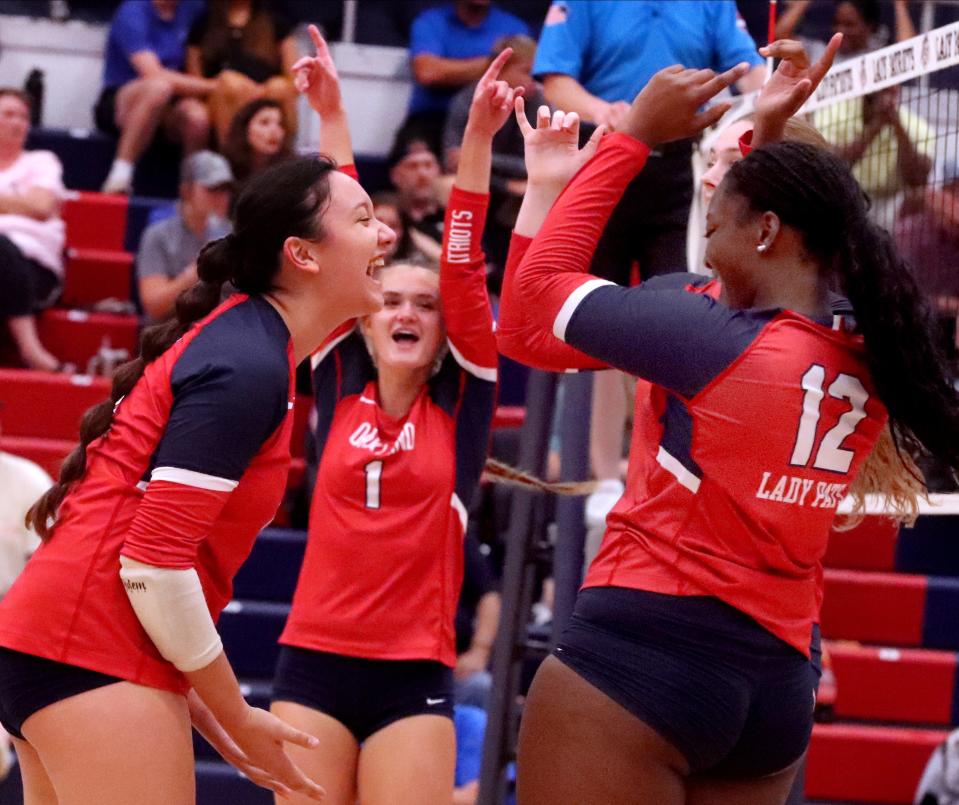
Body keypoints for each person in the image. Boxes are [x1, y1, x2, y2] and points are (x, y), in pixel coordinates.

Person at [500, 62, 959, 803]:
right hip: (775, 686)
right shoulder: (871, 344)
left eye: (718, 213)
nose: (705, 223)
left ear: (767, 228)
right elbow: (777, 267)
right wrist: (767, 135)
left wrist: (630, 137)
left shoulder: (701, 337)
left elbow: (528, 310)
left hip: (645, 655)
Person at [0, 53, 397, 799]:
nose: (385, 238)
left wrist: (223, 722)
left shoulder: (248, 342)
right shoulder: (246, 363)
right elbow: (152, 565)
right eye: (365, 221)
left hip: (58, 644)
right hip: (91, 647)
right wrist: (232, 712)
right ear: (302, 255)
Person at [270, 31, 514, 805]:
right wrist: (331, 117)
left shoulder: (463, 402)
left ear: (444, 333)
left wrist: (475, 140)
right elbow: (344, 241)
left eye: (425, 305)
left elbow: (463, 268)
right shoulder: (338, 376)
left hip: (414, 674)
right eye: (392, 300)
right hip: (311, 661)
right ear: (368, 320)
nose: (406, 310)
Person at [96, 0, 214, 195]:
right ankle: (120, 174)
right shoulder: (132, 11)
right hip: (123, 96)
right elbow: (152, 73)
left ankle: (192, 192)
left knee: (197, 117)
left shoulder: (193, 9)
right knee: (158, 88)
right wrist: (214, 86)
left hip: (173, 100)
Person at [406, 0, 532, 155]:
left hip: (498, 119)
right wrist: (497, 64)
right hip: (432, 118)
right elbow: (427, 72)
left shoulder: (514, 27)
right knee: (417, 164)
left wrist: (448, 69)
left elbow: (523, 75)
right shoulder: (430, 22)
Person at [0, 88, 66, 373]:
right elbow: (32, 204)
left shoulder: (42, 161)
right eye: (8, 114)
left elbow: (40, 205)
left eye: (23, 117)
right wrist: (18, 203)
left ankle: (31, 349)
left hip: (34, 269)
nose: (17, 122)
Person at [815, 84, 934, 228]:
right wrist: (874, 128)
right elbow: (829, 167)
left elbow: (918, 180)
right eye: (885, 87)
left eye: (893, 86)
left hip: (889, 203)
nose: (890, 92)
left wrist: (898, 127)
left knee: (914, 202)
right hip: (842, 197)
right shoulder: (835, 113)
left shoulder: (915, 125)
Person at [186, 0, 299, 146]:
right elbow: (194, 78)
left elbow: (295, 77)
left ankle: (284, 157)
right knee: (230, 83)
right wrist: (231, 86)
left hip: (265, 94)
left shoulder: (276, 21)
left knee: (280, 87)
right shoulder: (203, 22)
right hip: (220, 96)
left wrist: (259, 91)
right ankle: (233, 158)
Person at [137, 150, 233, 322]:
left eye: (225, 189)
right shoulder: (158, 235)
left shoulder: (230, 234)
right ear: (186, 191)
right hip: (166, 334)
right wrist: (195, 273)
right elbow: (153, 305)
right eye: (212, 188)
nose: (221, 197)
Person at [774, 0, 916, 63]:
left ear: (869, 26)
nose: (841, 31)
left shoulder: (877, 58)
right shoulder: (819, 53)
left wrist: (900, 5)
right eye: (837, 24)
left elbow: (910, 51)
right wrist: (802, 3)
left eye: (849, 25)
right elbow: (781, 36)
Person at [387, 131, 446, 264]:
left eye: (428, 165)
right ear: (395, 175)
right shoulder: (386, 218)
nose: (422, 174)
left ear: (439, 171)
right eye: (412, 166)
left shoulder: (455, 217)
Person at [223, 97, 294, 191]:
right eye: (264, 123)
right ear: (245, 129)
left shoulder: (291, 169)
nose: (275, 131)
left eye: (280, 124)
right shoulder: (224, 167)